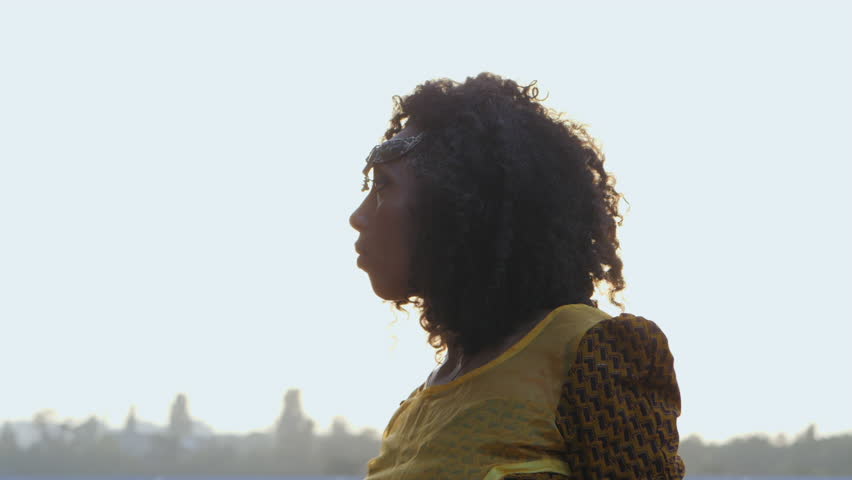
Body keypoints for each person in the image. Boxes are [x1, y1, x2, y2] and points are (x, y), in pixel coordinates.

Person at [349, 73, 685, 480]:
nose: (357, 217)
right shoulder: (424, 400)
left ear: (460, 207)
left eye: (383, 186)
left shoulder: (595, 353)